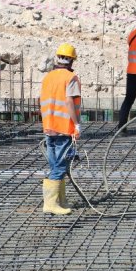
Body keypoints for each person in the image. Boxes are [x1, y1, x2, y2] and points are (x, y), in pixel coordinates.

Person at [39, 43, 81, 216]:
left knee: (56, 164)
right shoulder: (71, 77)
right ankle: (50, 203)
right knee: (60, 166)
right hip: (64, 128)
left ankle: (60, 200)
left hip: (49, 127)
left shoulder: (48, 77)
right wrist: (77, 123)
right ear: (71, 60)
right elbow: (69, 102)